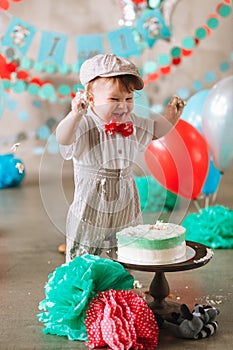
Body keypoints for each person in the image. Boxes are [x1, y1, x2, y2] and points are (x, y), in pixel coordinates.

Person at [56, 53, 186, 263]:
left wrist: (172, 117)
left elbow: (154, 130)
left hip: (125, 192)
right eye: (114, 99)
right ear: (91, 100)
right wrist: (75, 115)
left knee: (127, 242)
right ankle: (82, 277)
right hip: (92, 197)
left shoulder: (132, 121)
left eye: (129, 99)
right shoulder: (85, 123)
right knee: (86, 241)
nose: (123, 106)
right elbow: (63, 137)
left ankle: (123, 277)